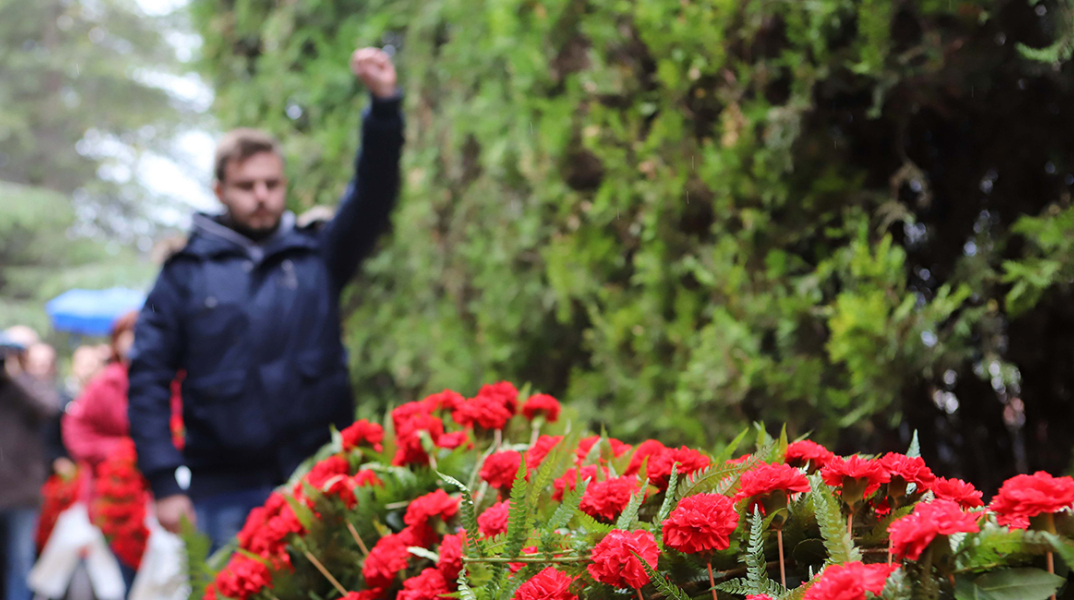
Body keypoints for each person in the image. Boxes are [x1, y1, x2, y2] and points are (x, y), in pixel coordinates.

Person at [127, 46, 404, 548]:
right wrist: (164, 481)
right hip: (223, 490)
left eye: (272, 184)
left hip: (322, 476)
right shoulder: (184, 274)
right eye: (246, 185)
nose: (261, 196)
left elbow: (373, 194)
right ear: (220, 190)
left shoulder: (319, 253)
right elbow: (148, 377)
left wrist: (384, 108)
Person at [1, 329, 62, 600]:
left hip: (22, 491)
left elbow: (49, 408)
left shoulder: (33, 385)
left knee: (20, 559)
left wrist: (16, 375)